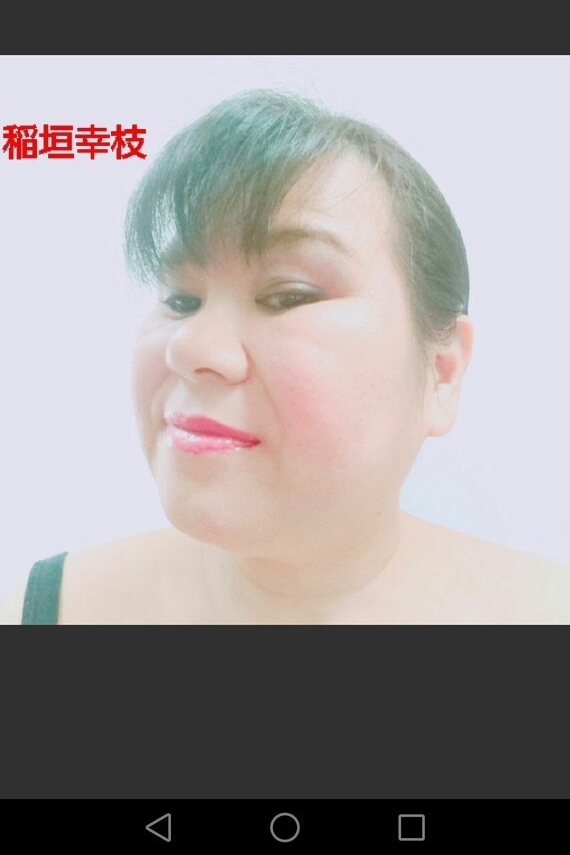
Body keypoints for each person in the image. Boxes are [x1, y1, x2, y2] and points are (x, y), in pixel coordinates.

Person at [2, 89, 569, 624]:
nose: (191, 346)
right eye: (181, 299)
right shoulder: (41, 609)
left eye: (288, 296)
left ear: (441, 373)